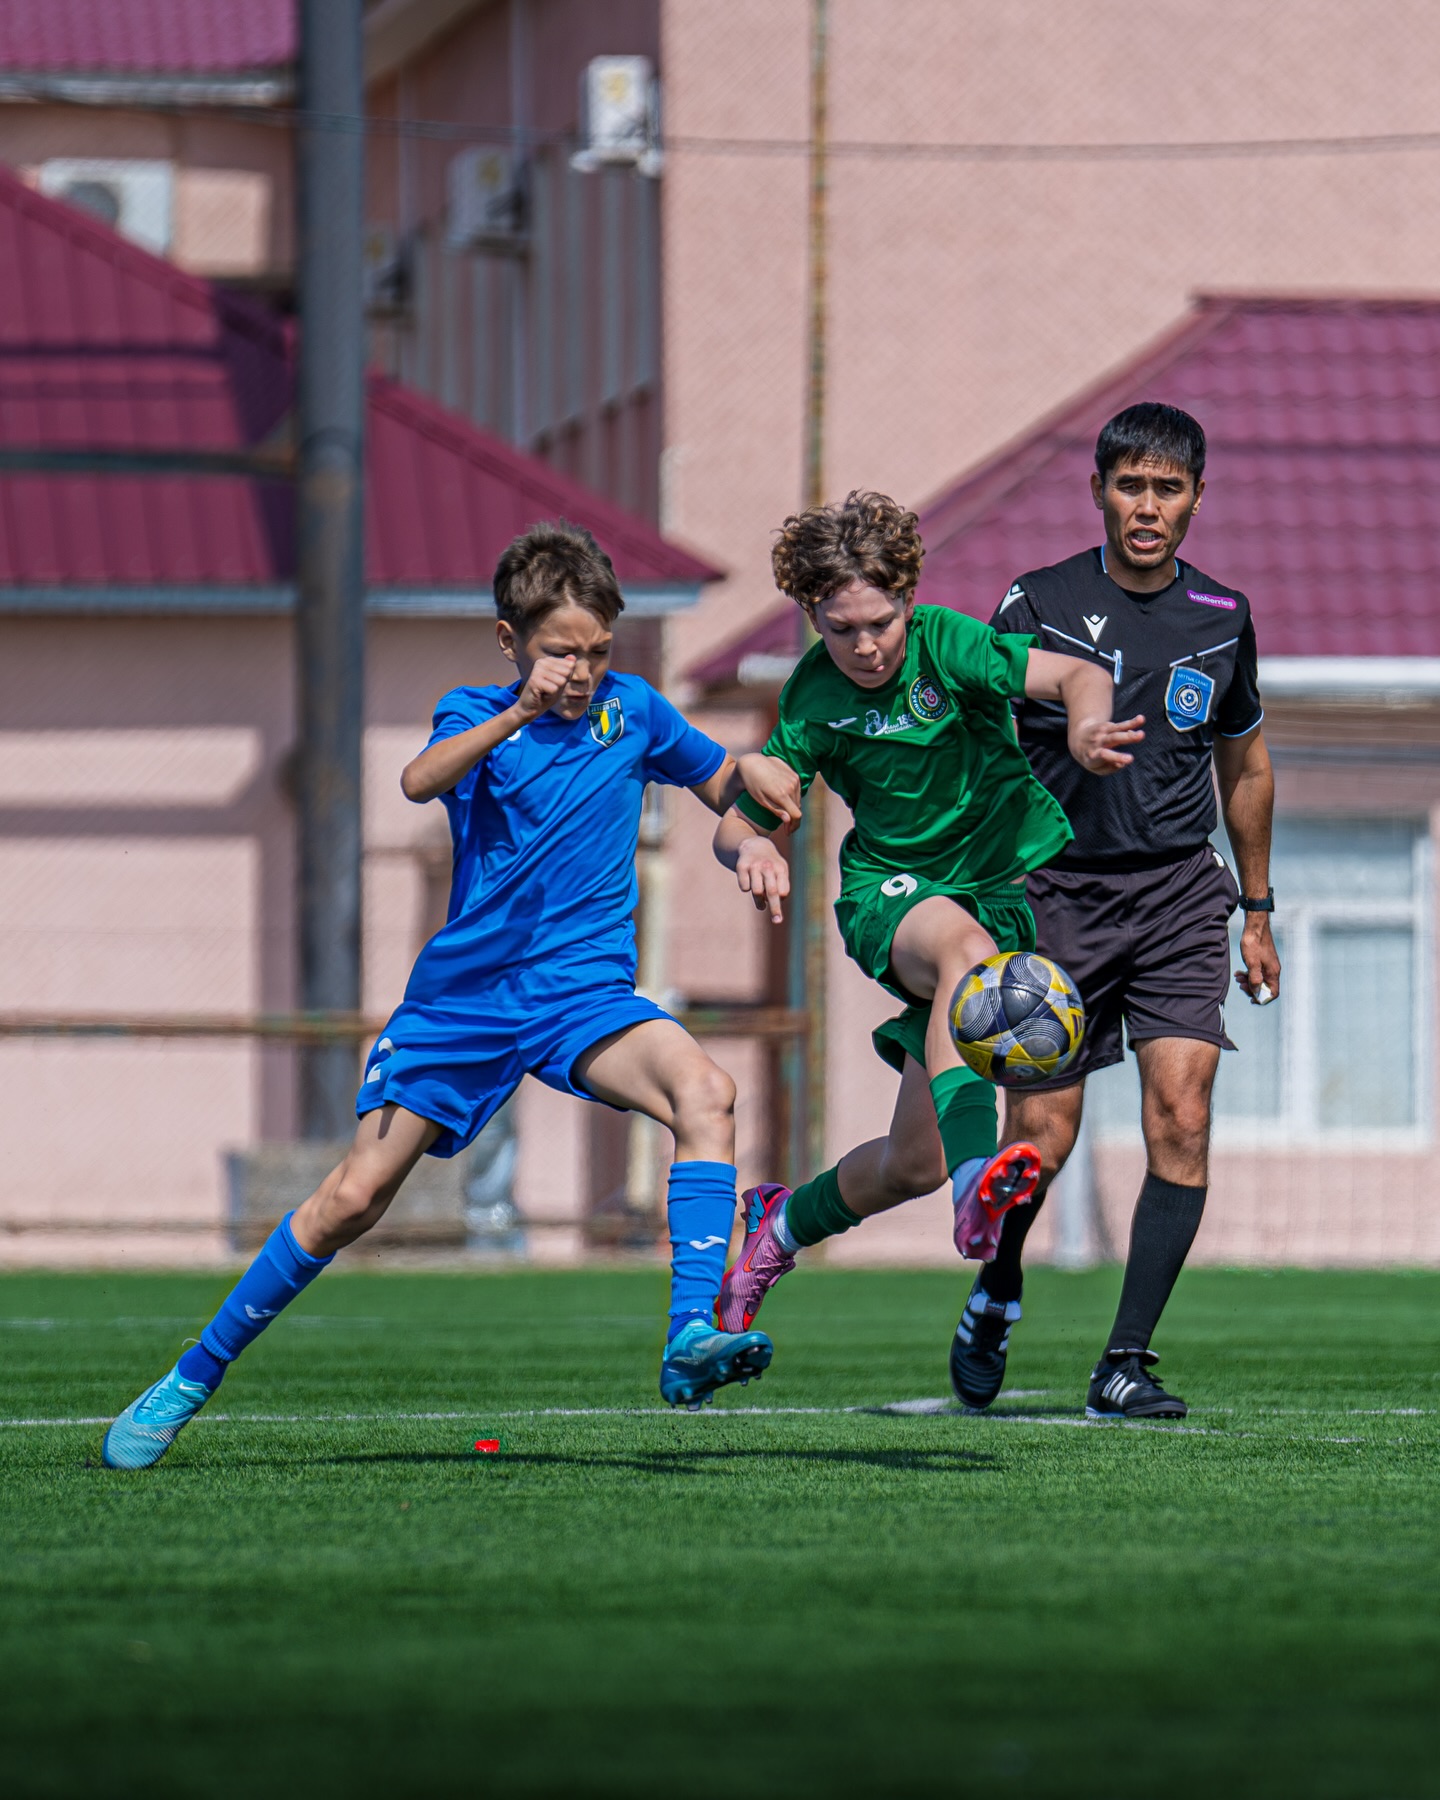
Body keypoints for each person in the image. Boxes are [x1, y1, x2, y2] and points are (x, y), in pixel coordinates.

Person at [102, 521, 804, 1470]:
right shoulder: (474, 712)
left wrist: (753, 820)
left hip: (583, 996)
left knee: (707, 1093)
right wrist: (519, 711)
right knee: (353, 1199)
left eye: (598, 650)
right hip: (463, 1006)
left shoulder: (633, 711)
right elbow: (416, 779)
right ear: (512, 643)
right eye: (563, 651)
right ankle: (191, 1376)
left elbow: (726, 787)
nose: (584, 670)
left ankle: (688, 1340)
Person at [709, 491, 1140, 1343]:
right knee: (964, 952)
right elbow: (739, 817)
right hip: (891, 898)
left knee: (910, 1160)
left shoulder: (950, 645)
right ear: (813, 618)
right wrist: (749, 849)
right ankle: (978, 1185)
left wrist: (1087, 727)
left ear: (908, 599)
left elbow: (1077, 674)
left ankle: (780, 1227)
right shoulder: (811, 698)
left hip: (994, 896)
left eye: (879, 622)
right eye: (841, 628)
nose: (864, 645)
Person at [952, 401, 1279, 1421]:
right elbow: (971, 746)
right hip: (1056, 894)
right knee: (1040, 1140)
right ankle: (997, 1291)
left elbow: (1247, 766)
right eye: (1129, 485)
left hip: (1181, 893)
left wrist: (1257, 911)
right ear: (1099, 491)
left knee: (1183, 1114)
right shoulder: (1035, 602)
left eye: (1167, 488)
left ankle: (1125, 1360)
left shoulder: (1223, 617)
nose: (1147, 506)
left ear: (1195, 498)